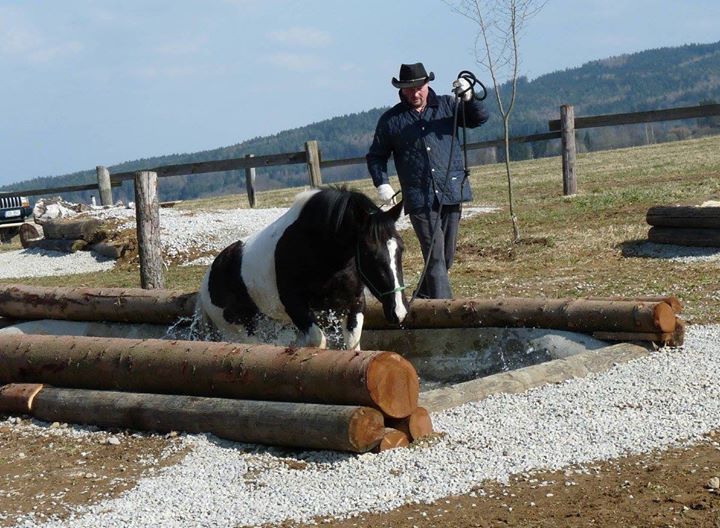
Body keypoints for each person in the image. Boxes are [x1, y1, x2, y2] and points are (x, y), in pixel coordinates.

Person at [366, 62, 489, 299]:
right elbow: (376, 156)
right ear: (401, 90)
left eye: (419, 87)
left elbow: (478, 119)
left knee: (446, 257)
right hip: (419, 197)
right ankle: (446, 312)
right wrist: (382, 183)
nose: (415, 93)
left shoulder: (448, 105)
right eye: (409, 89)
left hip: (450, 189)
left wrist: (469, 98)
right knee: (435, 257)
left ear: (427, 84)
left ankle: (421, 299)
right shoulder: (391, 121)